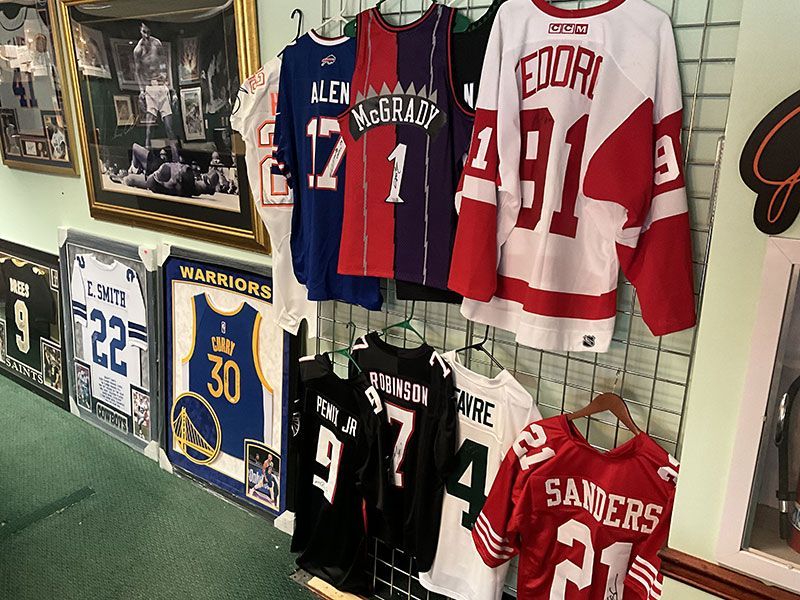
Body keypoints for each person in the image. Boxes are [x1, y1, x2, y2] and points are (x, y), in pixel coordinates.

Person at [133, 23, 178, 158]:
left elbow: (165, 64)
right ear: (140, 32)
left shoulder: (156, 43)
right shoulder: (138, 50)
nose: (146, 35)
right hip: (150, 88)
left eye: (148, 32)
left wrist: (172, 90)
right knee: (149, 128)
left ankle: (176, 157)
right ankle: (146, 159)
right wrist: (141, 90)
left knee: (169, 127)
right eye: (144, 32)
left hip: (162, 86)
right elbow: (137, 72)